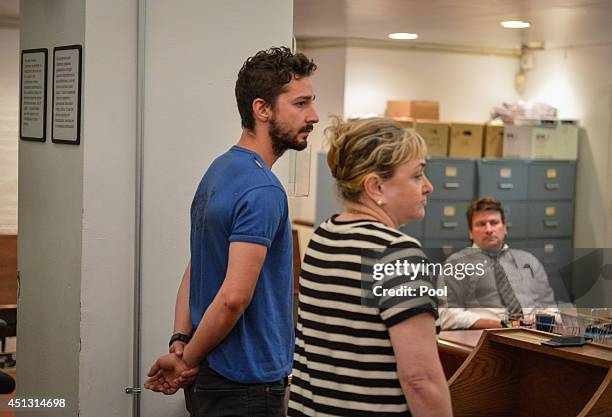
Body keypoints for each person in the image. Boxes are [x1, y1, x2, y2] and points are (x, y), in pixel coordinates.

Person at [144, 46, 319, 417]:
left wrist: (181, 342)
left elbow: (199, 263)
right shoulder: (263, 189)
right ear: (262, 109)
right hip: (247, 384)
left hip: (210, 374)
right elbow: (233, 298)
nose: (314, 116)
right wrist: (186, 360)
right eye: (301, 104)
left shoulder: (220, 170)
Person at [288, 117, 453, 417]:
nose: (428, 186)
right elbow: (420, 380)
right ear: (376, 186)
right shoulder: (398, 253)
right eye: (417, 176)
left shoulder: (323, 236)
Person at [439, 197, 562, 330]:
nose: (489, 229)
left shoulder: (529, 261)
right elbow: (448, 317)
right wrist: (506, 326)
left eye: (494, 222)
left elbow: (551, 309)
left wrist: (536, 325)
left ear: (504, 228)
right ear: (470, 233)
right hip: (485, 338)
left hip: (532, 336)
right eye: (481, 224)